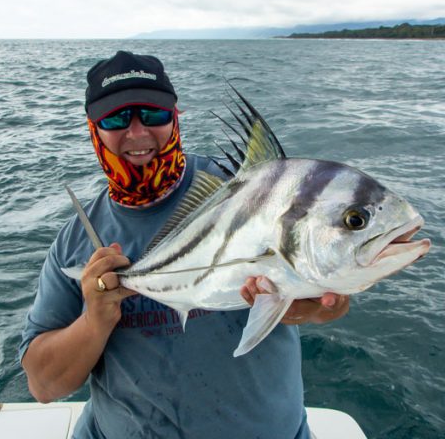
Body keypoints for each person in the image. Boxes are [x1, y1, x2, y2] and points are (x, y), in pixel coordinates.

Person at [19, 51, 349, 438]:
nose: (138, 133)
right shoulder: (76, 240)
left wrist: (314, 308)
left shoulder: (250, 189)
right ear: (94, 127)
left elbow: (329, 302)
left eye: (154, 115)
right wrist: (95, 318)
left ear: (176, 116)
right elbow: (43, 386)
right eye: (117, 118)